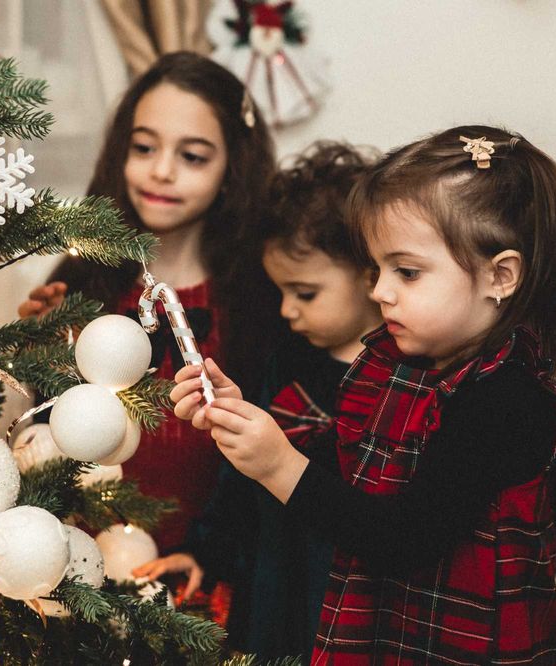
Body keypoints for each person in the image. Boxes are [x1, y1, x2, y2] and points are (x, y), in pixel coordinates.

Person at [172, 126, 556, 664]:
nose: (379, 291)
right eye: (378, 270)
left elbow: (403, 539)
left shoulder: (507, 398)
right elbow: (350, 470)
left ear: (500, 276)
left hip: (464, 647)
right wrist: (247, 423)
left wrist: (280, 465)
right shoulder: (409, 370)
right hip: (401, 634)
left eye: (407, 272)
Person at [18, 52, 284, 621]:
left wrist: (214, 556)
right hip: (72, 581)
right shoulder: (83, 276)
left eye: (191, 156)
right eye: (144, 148)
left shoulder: (262, 301)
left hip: (200, 592)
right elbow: (32, 426)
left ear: (232, 166)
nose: (162, 171)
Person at [135, 142, 382, 659]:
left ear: (369, 274)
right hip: (273, 588)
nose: (288, 310)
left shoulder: (401, 374)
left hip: (357, 600)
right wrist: (206, 551)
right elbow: (240, 480)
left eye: (305, 293)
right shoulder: (286, 357)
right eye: (281, 293)